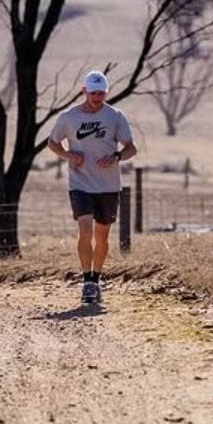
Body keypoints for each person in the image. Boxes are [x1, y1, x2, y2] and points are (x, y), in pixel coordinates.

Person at [47, 70, 137, 305]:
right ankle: (87, 281)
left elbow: (131, 147)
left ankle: (97, 277)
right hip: (80, 183)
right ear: (84, 91)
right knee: (85, 231)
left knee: (102, 235)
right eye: (93, 93)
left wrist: (116, 156)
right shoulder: (69, 117)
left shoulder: (115, 116)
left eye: (101, 93)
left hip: (108, 185)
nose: (98, 97)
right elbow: (52, 142)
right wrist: (68, 155)